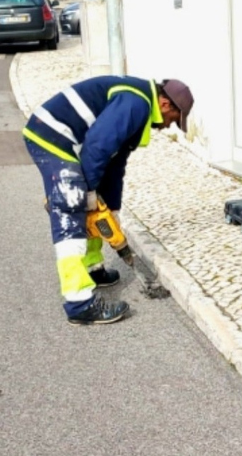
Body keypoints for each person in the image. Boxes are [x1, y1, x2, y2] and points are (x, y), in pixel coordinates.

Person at [23, 76, 194, 325]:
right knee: (72, 210)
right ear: (165, 104)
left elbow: (115, 162)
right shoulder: (136, 104)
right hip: (52, 136)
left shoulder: (139, 104)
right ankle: (79, 303)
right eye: (173, 120)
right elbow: (97, 147)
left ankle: (93, 270)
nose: (169, 126)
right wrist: (88, 191)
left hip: (62, 137)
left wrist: (111, 207)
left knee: (93, 210)